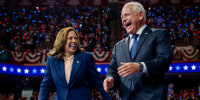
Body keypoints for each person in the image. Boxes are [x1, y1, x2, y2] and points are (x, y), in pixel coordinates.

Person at [103, 1, 173, 100]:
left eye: (126, 15)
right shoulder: (118, 46)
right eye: (122, 17)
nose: (123, 20)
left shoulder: (158, 35)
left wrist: (140, 66)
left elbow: (164, 61)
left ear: (140, 15)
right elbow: (113, 69)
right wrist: (110, 79)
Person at [38, 27, 111, 100]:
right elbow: (45, 86)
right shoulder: (52, 61)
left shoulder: (85, 58)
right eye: (70, 38)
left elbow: (98, 82)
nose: (74, 41)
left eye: (76, 38)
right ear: (62, 41)